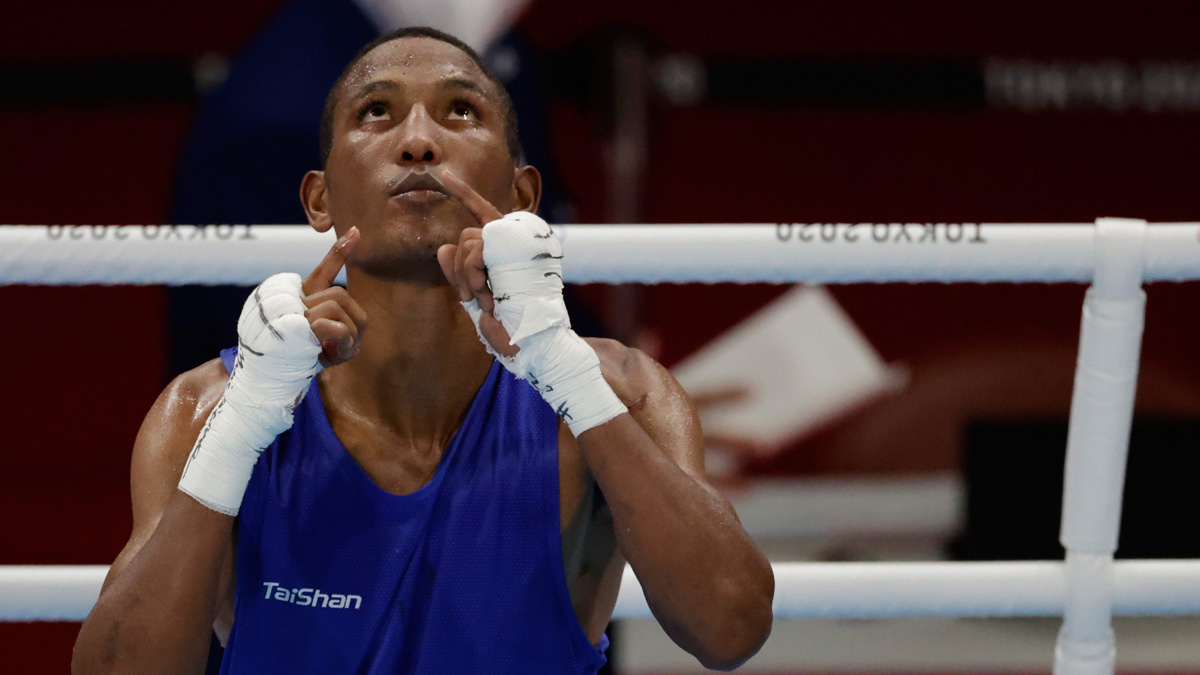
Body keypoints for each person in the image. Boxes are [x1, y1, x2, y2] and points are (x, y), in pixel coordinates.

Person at [72, 27, 774, 674]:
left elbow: (731, 627)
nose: (417, 142)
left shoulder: (618, 391)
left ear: (523, 194)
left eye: (460, 111)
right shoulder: (207, 410)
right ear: (320, 201)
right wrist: (244, 424)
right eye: (376, 111)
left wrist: (569, 374)